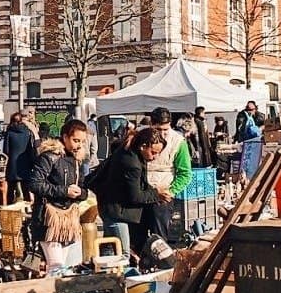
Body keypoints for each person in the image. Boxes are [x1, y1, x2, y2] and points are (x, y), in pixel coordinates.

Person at [27, 119, 89, 271]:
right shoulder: (49, 157)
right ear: (65, 137)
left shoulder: (77, 160)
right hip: (48, 220)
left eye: (82, 141)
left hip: (69, 220)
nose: (79, 145)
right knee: (56, 267)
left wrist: (81, 193)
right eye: (75, 140)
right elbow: (35, 184)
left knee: (67, 268)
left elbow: (83, 189)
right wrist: (64, 191)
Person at [99, 127, 170, 258]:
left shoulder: (131, 152)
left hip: (111, 207)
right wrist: (156, 194)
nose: (156, 157)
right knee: (123, 253)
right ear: (143, 146)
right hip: (116, 211)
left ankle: (107, 275)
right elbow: (135, 196)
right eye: (154, 152)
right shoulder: (132, 163)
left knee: (110, 249)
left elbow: (139, 185)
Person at [144, 107, 193, 241]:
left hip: (163, 196)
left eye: (165, 130)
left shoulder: (178, 142)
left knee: (159, 239)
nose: (163, 134)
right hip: (141, 193)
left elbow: (185, 173)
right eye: (158, 129)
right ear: (151, 125)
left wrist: (171, 191)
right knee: (138, 238)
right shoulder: (142, 137)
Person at [3, 112, 37, 203]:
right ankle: (28, 208)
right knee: (25, 189)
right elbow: (31, 149)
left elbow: (6, 150)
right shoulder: (28, 132)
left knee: (11, 189)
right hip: (25, 163)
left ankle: (9, 208)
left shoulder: (9, 132)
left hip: (12, 164)